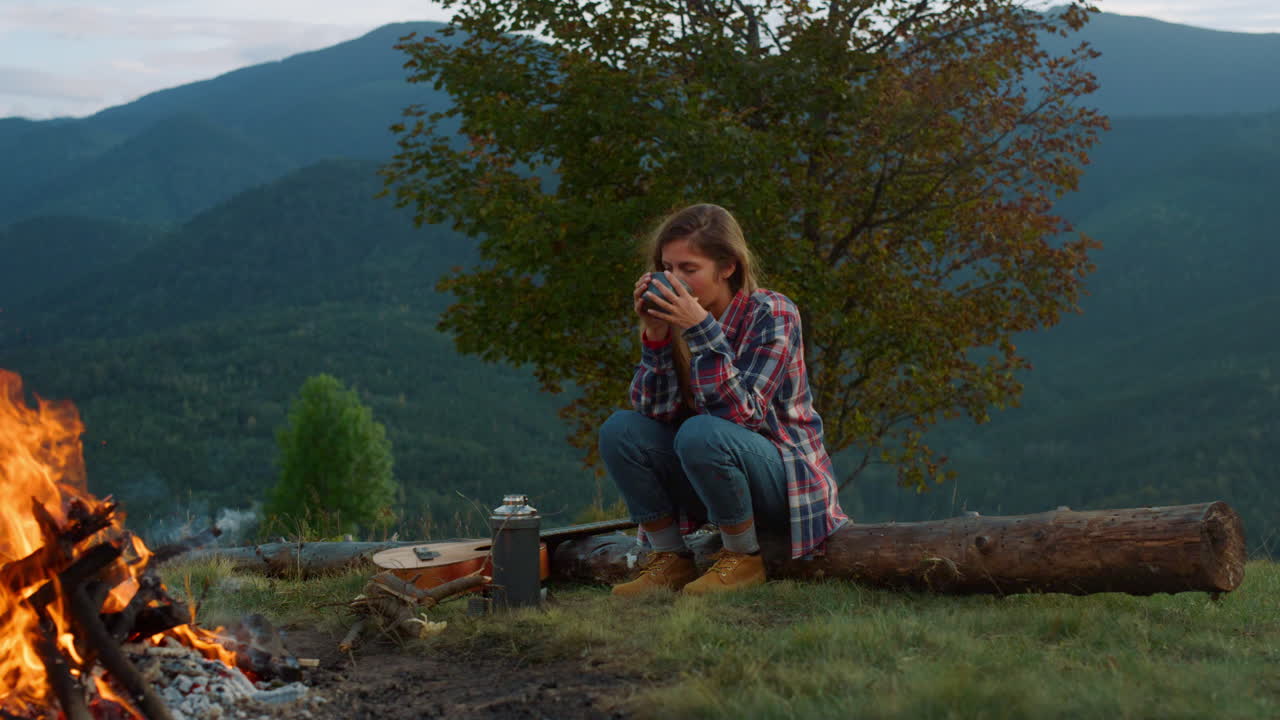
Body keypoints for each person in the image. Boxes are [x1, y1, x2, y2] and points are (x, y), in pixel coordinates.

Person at [599, 203, 847, 597]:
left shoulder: (773, 313)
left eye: (689, 269)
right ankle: (670, 560)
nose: (675, 280)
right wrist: (657, 336)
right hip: (711, 472)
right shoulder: (679, 320)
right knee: (620, 430)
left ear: (728, 266)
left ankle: (743, 557)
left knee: (701, 431)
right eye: (667, 268)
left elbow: (742, 416)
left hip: (781, 480)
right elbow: (655, 412)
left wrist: (702, 332)